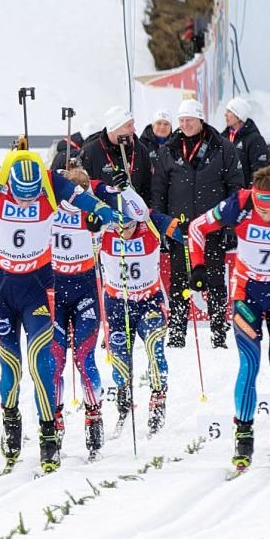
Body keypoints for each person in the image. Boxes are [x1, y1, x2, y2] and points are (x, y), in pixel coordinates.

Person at [0, 148, 117, 472]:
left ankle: (48, 437)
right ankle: (11, 422)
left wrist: (101, 212)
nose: (27, 203)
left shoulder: (51, 182)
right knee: (11, 368)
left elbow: (89, 203)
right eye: (22, 197)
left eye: (33, 199)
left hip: (38, 288)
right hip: (0, 287)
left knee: (40, 361)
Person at [188, 165, 270, 472]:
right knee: (249, 365)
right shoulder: (239, 202)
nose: (269, 213)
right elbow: (197, 227)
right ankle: (243, 436)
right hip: (246, 294)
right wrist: (198, 267)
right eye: (263, 207)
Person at [152, 99, 240, 348]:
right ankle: (178, 331)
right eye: (181, 120)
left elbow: (235, 185)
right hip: (178, 227)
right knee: (179, 279)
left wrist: (230, 224)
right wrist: (161, 223)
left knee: (214, 278)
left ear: (201, 120)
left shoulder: (222, 147)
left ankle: (218, 332)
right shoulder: (168, 149)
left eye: (189, 119)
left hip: (211, 225)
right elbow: (159, 189)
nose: (185, 124)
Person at [95, 189, 174, 440]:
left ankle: (158, 398)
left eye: (128, 226)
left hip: (149, 302)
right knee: (119, 360)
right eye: (119, 226)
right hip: (117, 304)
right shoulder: (104, 231)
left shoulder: (149, 225)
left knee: (154, 348)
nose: (123, 232)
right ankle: (123, 399)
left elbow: (178, 230)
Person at [47, 157, 104, 449]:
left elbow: (125, 211)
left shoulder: (94, 211)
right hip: (56, 292)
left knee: (84, 357)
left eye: (82, 194)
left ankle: (94, 415)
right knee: (55, 360)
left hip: (84, 293)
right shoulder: (51, 206)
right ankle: (55, 419)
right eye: (73, 193)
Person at [80, 107, 156, 197]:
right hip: (103, 208)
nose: (133, 130)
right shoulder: (91, 151)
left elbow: (148, 187)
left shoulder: (140, 149)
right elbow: (83, 188)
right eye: (128, 126)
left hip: (135, 209)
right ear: (114, 129)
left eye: (133, 124)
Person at [218, 96, 270, 187]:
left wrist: (249, 192)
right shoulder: (223, 137)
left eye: (229, 111)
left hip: (245, 193)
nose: (225, 115)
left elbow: (260, 170)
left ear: (239, 116)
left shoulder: (254, 139)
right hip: (226, 191)